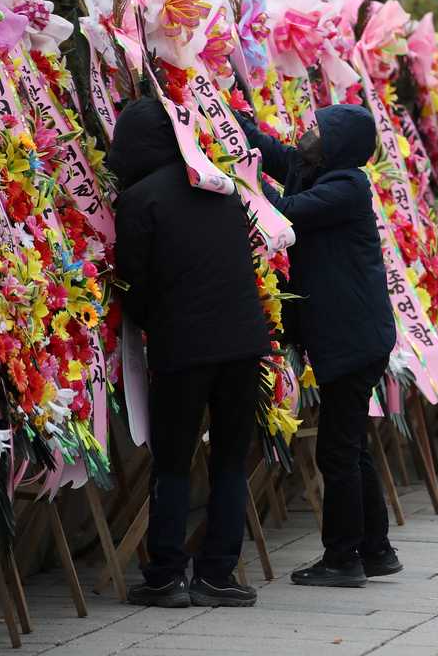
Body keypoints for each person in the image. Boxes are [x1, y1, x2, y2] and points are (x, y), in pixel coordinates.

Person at [110, 98, 270, 608]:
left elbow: (131, 284)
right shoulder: (219, 187)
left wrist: (153, 321)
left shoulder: (139, 199)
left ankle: (165, 576)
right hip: (244, 343)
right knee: (228, 460)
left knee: (174, 462)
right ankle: (219, 574)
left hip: (184, 347)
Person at [237, 104, 400, 588]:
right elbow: (272, 150)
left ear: (337, 145)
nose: (305, 133)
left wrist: (241, 181)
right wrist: (222, 114)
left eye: (317, 129)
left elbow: (282, 213)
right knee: (351, 447)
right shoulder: (315, 170)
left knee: (337, 453)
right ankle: (375, 548)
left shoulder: (346, 187)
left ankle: (343, 558)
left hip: (353, 341)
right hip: (348, 338)